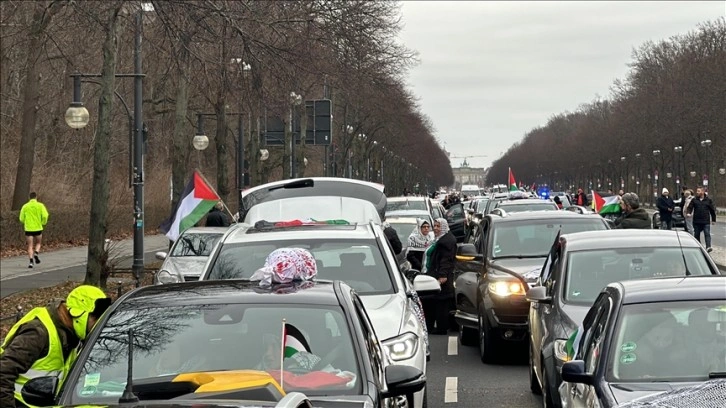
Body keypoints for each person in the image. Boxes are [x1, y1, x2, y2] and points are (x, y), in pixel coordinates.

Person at [0, 285, 111, 408]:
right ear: (78, 314)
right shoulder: (38, 333)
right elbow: (3, 372)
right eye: (95, 319)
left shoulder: (71, 333)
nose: (96, 326)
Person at [422, 218, 456, 335]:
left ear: (444, 227)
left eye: (438, 226)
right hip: (435, 275)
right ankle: (435, 326)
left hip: (440, 278)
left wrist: (442, 275)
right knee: (435, 302)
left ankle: (441, 328)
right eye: (434, 226)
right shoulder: (440, 239)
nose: (435, 228)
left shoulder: (445, 242)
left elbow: (446, 260)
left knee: (441, 303)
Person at [19, 192, 49, 269]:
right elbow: (45, 215)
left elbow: (21, 218)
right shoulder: (40, 205)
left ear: (29, 198)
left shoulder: (25, 206)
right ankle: (36, 253)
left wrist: (25, 222)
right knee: (38, 243)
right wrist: (43, 222)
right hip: (38, 228)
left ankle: (31, 262)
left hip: (28, 229)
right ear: (36, 197)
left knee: (30, 245)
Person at [687, 187, 716, 253]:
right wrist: (689, 213)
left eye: (698, 191)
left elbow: (712, 210)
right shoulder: (694, 200)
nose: (697, 192)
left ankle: (708, 246)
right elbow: (690, 207)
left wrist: (713, 219)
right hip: (697, 220)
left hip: (706, 220)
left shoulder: (708, 200)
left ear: (703, 192)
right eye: (697, 191)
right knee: (696, 234)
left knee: (707, 233)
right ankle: (698, 246)